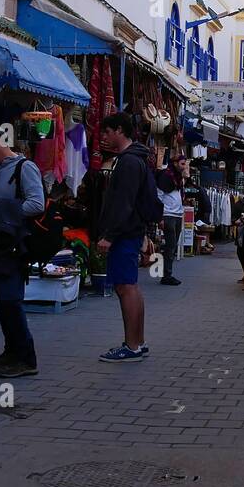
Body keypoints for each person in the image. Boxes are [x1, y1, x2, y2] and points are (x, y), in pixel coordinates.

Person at [0, 124, 45, 378]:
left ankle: (26, 358)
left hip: (15, 244)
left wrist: (4, 213)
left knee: (10, 299)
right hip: (0, 242)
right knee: (1, 298)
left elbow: (37, 203)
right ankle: (11, 350)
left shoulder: (24, 168)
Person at [96, 112, 155, 363]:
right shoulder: (134, 159)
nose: (104, 138)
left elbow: (124, 203)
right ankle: (137, 342)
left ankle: (131, 346)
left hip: (125, 233)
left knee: (125, 287)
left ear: (119, 130)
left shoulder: (129, 162)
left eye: (107, 132)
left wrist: (109, 235)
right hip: (131, 232)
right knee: (130, 286)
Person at [154, 155, 187, 286]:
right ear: (175, 163)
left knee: (172, 246)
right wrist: (160, 217)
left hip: (177, 214)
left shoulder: (178, 178)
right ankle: (167, 275)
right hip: (168, 214)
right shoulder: (165, 177)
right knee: (170, 246)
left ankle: (166, 273)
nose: (184, 166)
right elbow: (159, 196)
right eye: (182, 164)